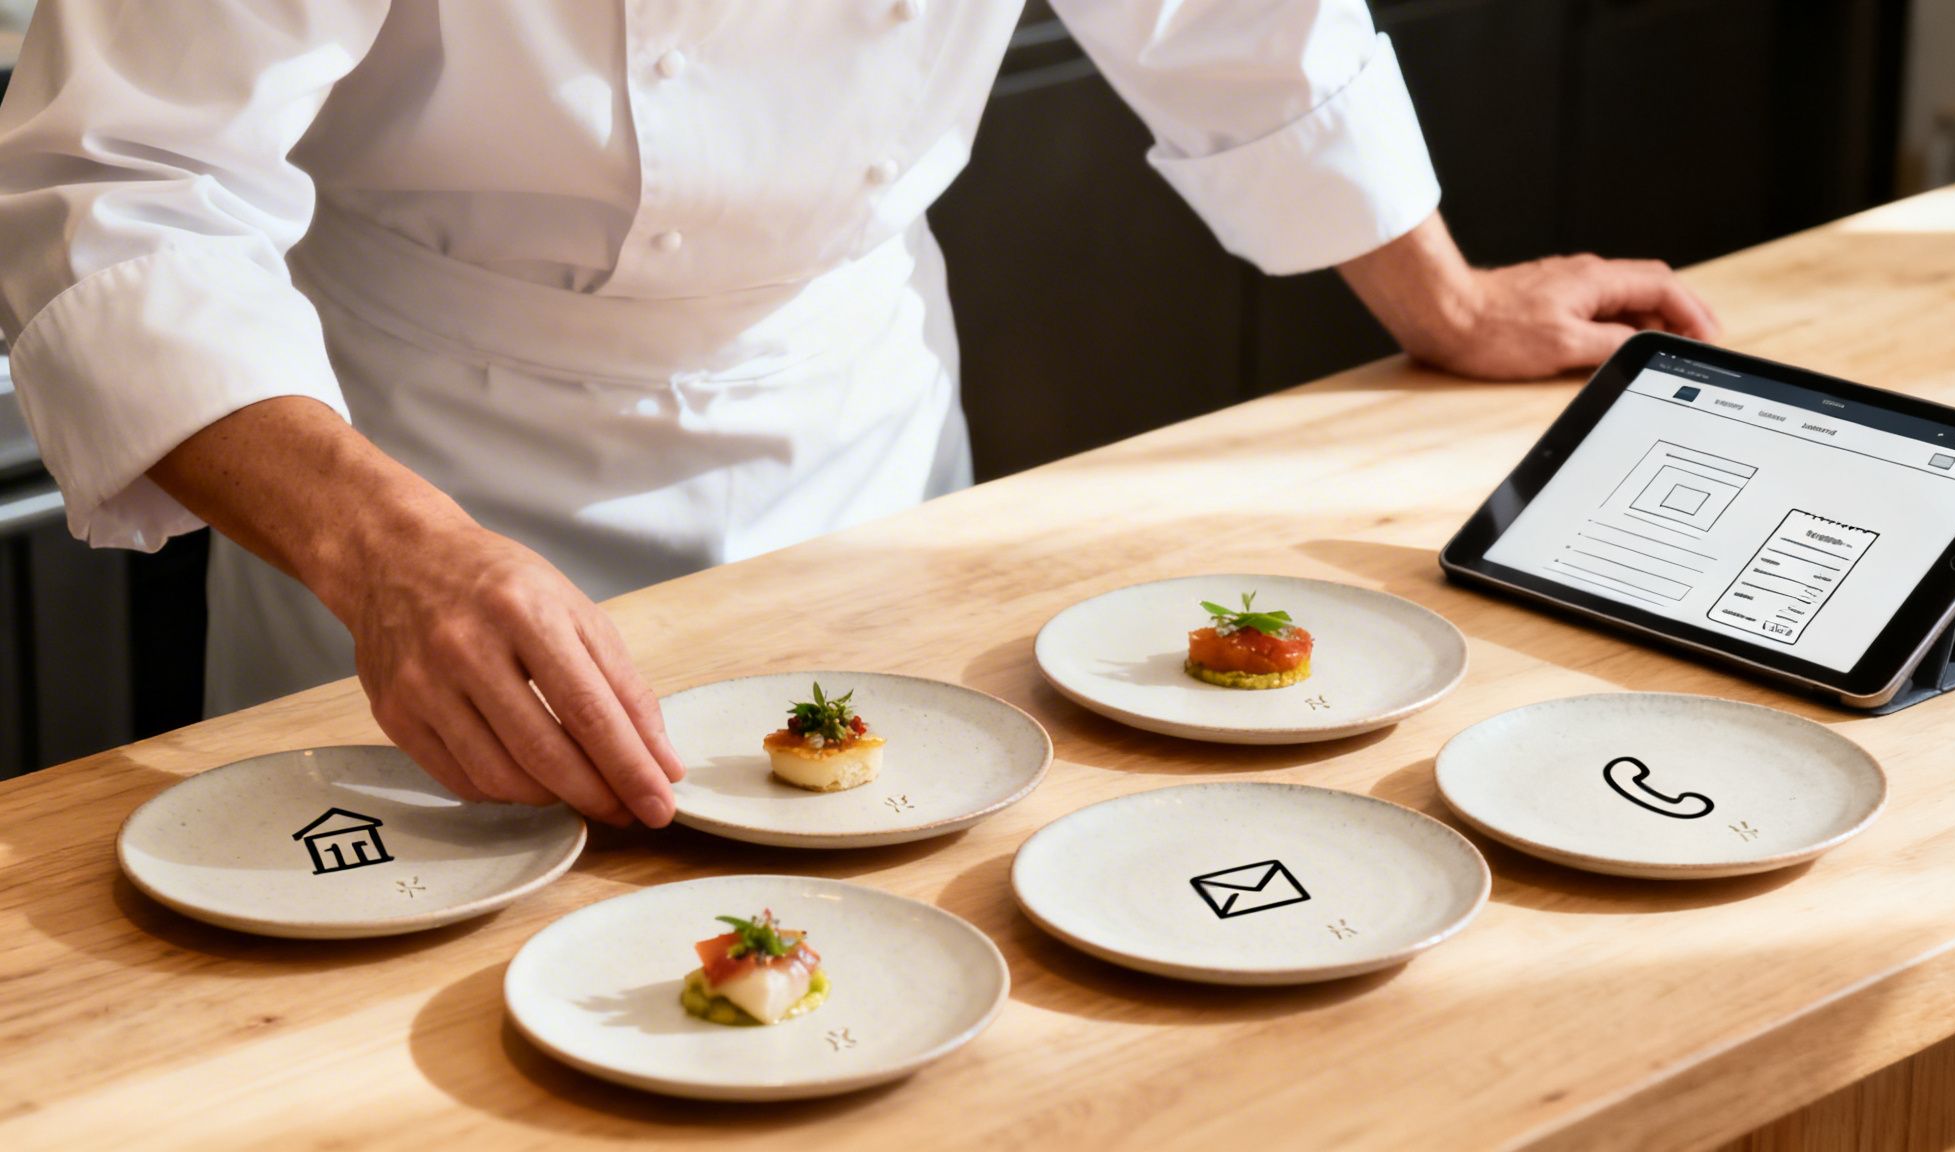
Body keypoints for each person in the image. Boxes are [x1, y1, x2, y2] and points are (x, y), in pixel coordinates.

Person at [0, 3, 1716, 829]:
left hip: (856, 431)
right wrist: (390, 557)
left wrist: (1447, 292)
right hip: (412, 471)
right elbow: (121, 176)